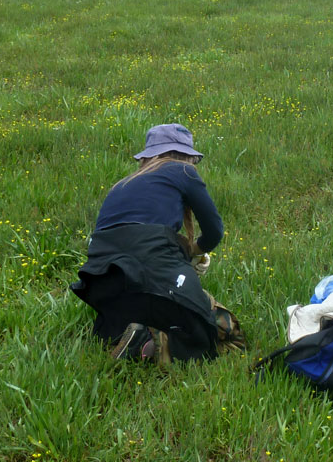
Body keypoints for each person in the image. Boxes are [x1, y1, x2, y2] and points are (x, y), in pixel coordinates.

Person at [71, 123, 242, 364]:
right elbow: (214, 231)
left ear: (148, 156)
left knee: (151, 311)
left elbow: (123, 236)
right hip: (149, 268)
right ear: (187, 157)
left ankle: (130, 335)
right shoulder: (182, 171)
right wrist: (196, 253)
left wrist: (182, 255)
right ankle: (150, 341)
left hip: (102, 282)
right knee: (221, 333)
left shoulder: (121, 185)